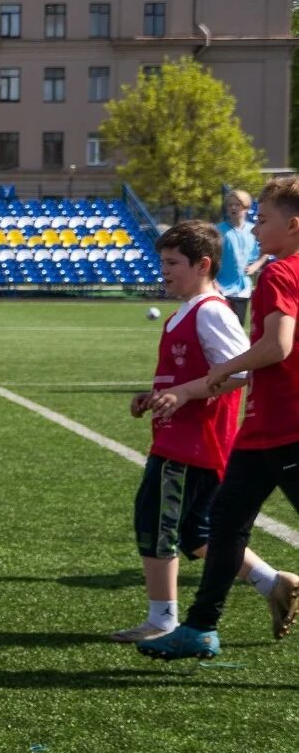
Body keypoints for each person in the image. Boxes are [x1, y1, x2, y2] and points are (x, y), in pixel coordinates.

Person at [113, 220, 297, 643]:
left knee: (154, 521)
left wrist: (181, 394)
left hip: (193, 444)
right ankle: (274, 583)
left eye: (173, 262)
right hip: (183, 439)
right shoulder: (190, 310)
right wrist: (156, 394)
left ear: (203, 265)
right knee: (198, 533)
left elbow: (239, 372)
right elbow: (195, 373)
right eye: (162, 261)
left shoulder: (210, 310)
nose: (164, 270)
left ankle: (162, 619)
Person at [216, 190, 267, 327]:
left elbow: (266, 249)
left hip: (242, 290)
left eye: (237, 204)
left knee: (237, 329)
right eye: (230, 205)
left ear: (246, 208)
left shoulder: (253, 230)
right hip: (221, 288)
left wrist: (256, 265)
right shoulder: (218, 230)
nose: (233, 208)